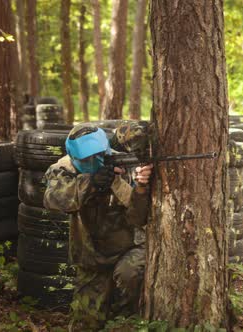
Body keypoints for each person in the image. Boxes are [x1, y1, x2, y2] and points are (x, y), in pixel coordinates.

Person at [43, 123, 153, 330]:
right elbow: (55, 199)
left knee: (129, 276)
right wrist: (92, 183)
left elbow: (139, 218)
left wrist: (139, 187)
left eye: (99, 155)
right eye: (87, 159)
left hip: (129, 249)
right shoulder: (63, 169)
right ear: (74, 157)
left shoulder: (121, 163)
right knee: (84, 325)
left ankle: (128, 318)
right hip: (92, 258)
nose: (94, 161)